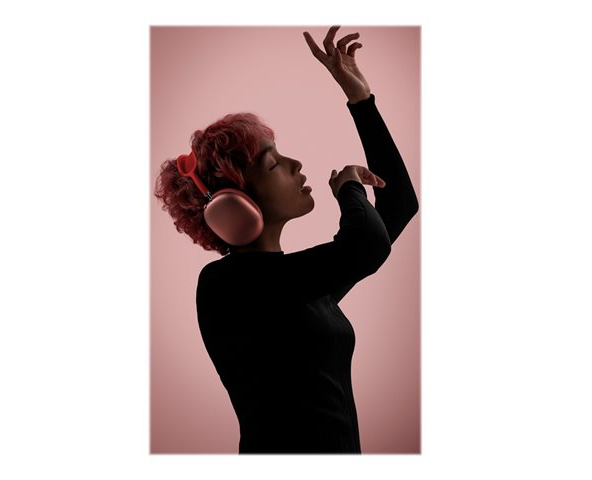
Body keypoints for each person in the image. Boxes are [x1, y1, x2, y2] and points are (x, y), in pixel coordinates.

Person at [154, 26, 419, 454]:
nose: (295, 164)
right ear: (233, 205)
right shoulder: (227, 287)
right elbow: (366, 246)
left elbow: (400, 204)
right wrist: (350, 188)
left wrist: (361, 100)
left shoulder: (301, 287)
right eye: (273, 163)